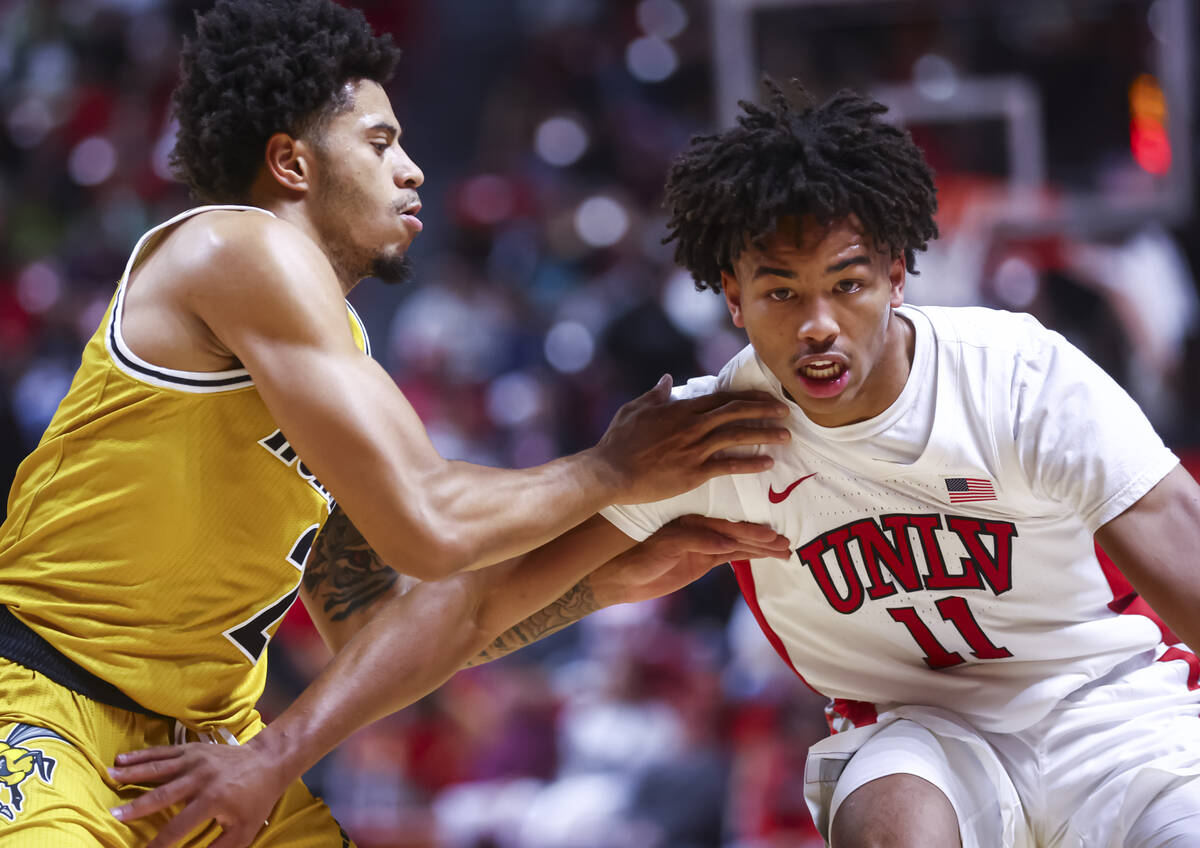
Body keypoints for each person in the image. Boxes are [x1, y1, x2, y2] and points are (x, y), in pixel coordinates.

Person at [114, 79, 1200, 847]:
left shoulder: (1017, 375)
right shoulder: (708, 433)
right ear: (732, 298)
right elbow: (469, 600)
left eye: (848, 284)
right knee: (893, 821)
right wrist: (274, 752)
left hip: (1099, 703)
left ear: (900, 274)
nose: (817, 325)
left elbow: (1184, 556)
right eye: (780, 292)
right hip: (916, 734)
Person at [0, 0, 798, 843]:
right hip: (44, 707)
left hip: (202, 748)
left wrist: (606, 571)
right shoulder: (237, 247)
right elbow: (432, 524)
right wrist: (613, 471)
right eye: (380, 143)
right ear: (291, 164)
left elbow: (396, 625)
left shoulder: (324, 352)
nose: (413, 170)